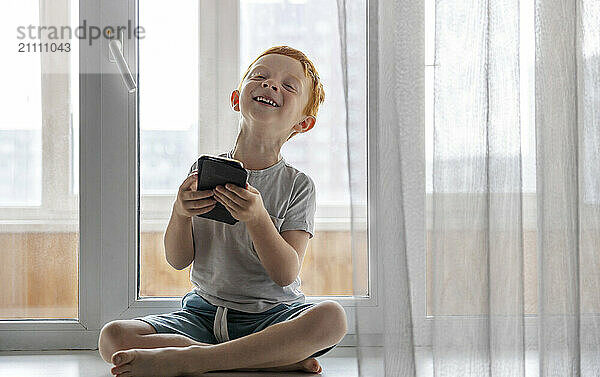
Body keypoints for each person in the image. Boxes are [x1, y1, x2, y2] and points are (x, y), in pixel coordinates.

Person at [98, 46, 348, 376]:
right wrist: (180, 212)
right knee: (113, 337)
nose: (270, 85)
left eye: (288, 85)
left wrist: (258, 218)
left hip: (273, 315)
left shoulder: (298, 186)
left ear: (304, 123)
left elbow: (285, 273)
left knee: (332, 317)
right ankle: (265, 358)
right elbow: (178, 259)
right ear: (236, 99)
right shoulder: (203, 172)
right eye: (260, 76)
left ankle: (194, 360)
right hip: (202, 314)